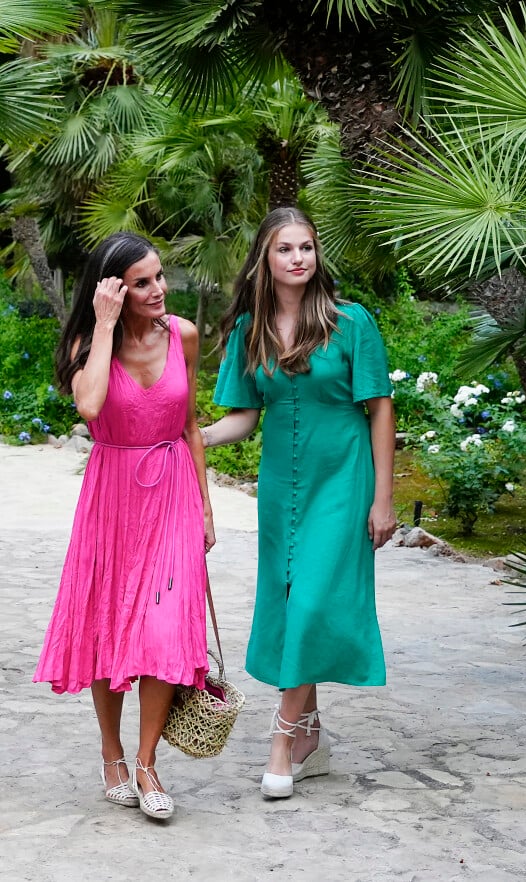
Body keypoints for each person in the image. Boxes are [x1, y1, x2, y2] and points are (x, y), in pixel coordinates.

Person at [201, 206, 396, 799]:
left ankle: (283, 739)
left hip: (342, 479)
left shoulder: (351, 322)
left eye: (307, 247)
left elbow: (381, 408)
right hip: (281, 490)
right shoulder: (248, 332)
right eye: (286, 249)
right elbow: (243, 418)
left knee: (311, 602)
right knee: (289, 605)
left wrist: (383, 497)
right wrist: (195, 438)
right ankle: (310, 733)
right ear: (265, 257)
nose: (299, 259)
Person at [34, 232, 215, 820]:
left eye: (159, 277)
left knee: (162, 631)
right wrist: (105, 324)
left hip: (173, 494)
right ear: (112, 289)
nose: (158, 290)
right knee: (109, 627)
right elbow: (88, 405)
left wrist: (206, 508)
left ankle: (146, 762)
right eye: (141, 282)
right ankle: (111, 754)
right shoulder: (92, 342)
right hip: (111, 498)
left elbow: (191, 426)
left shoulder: (182, 335)